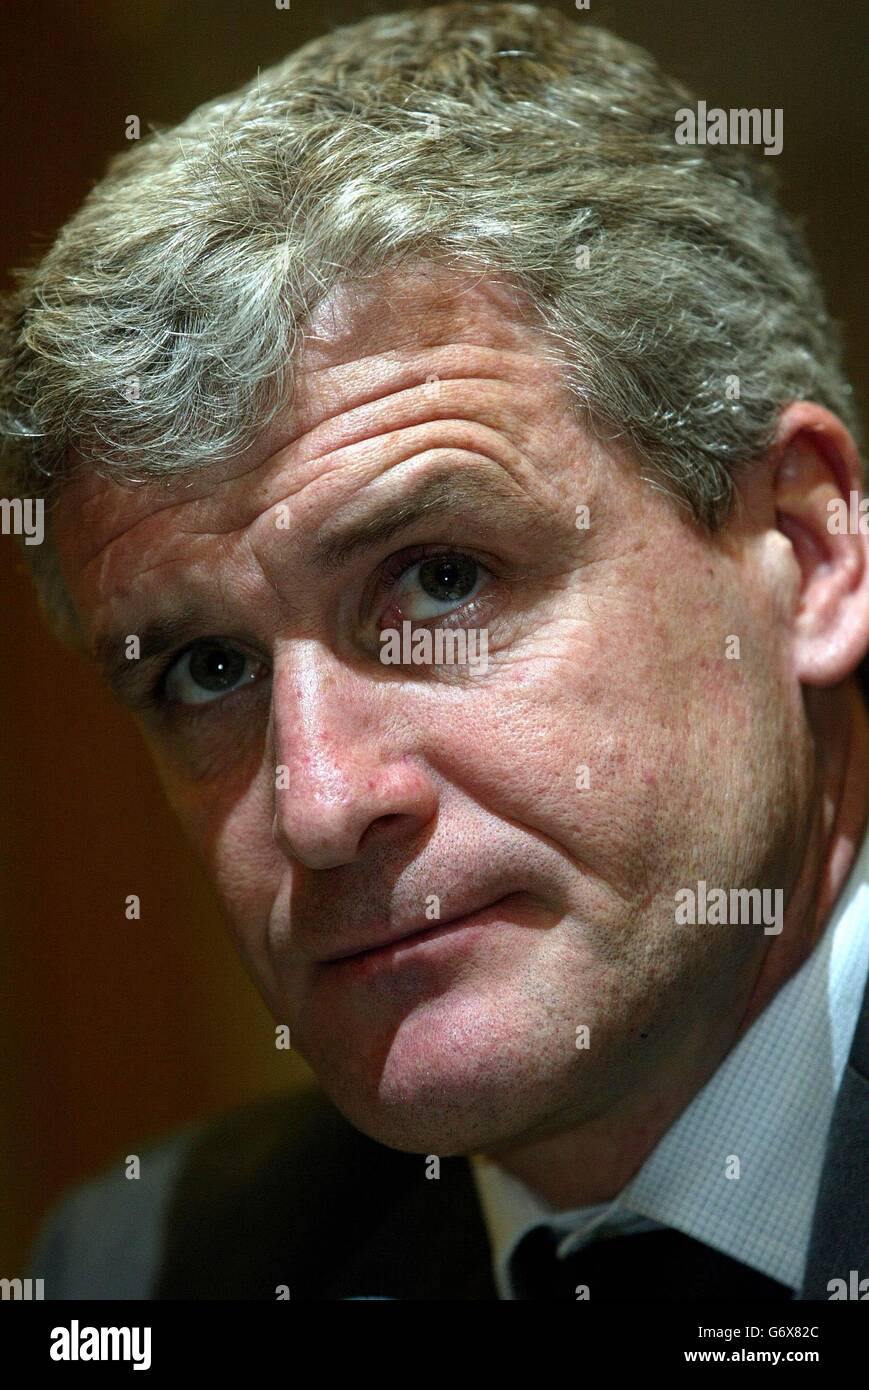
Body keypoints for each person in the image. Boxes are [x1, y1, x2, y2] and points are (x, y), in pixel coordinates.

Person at [3, 3, 867, 1300]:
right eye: (208, 669)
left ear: (803, 552)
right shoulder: (140, 1272)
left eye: (442, 580)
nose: (321, 804)